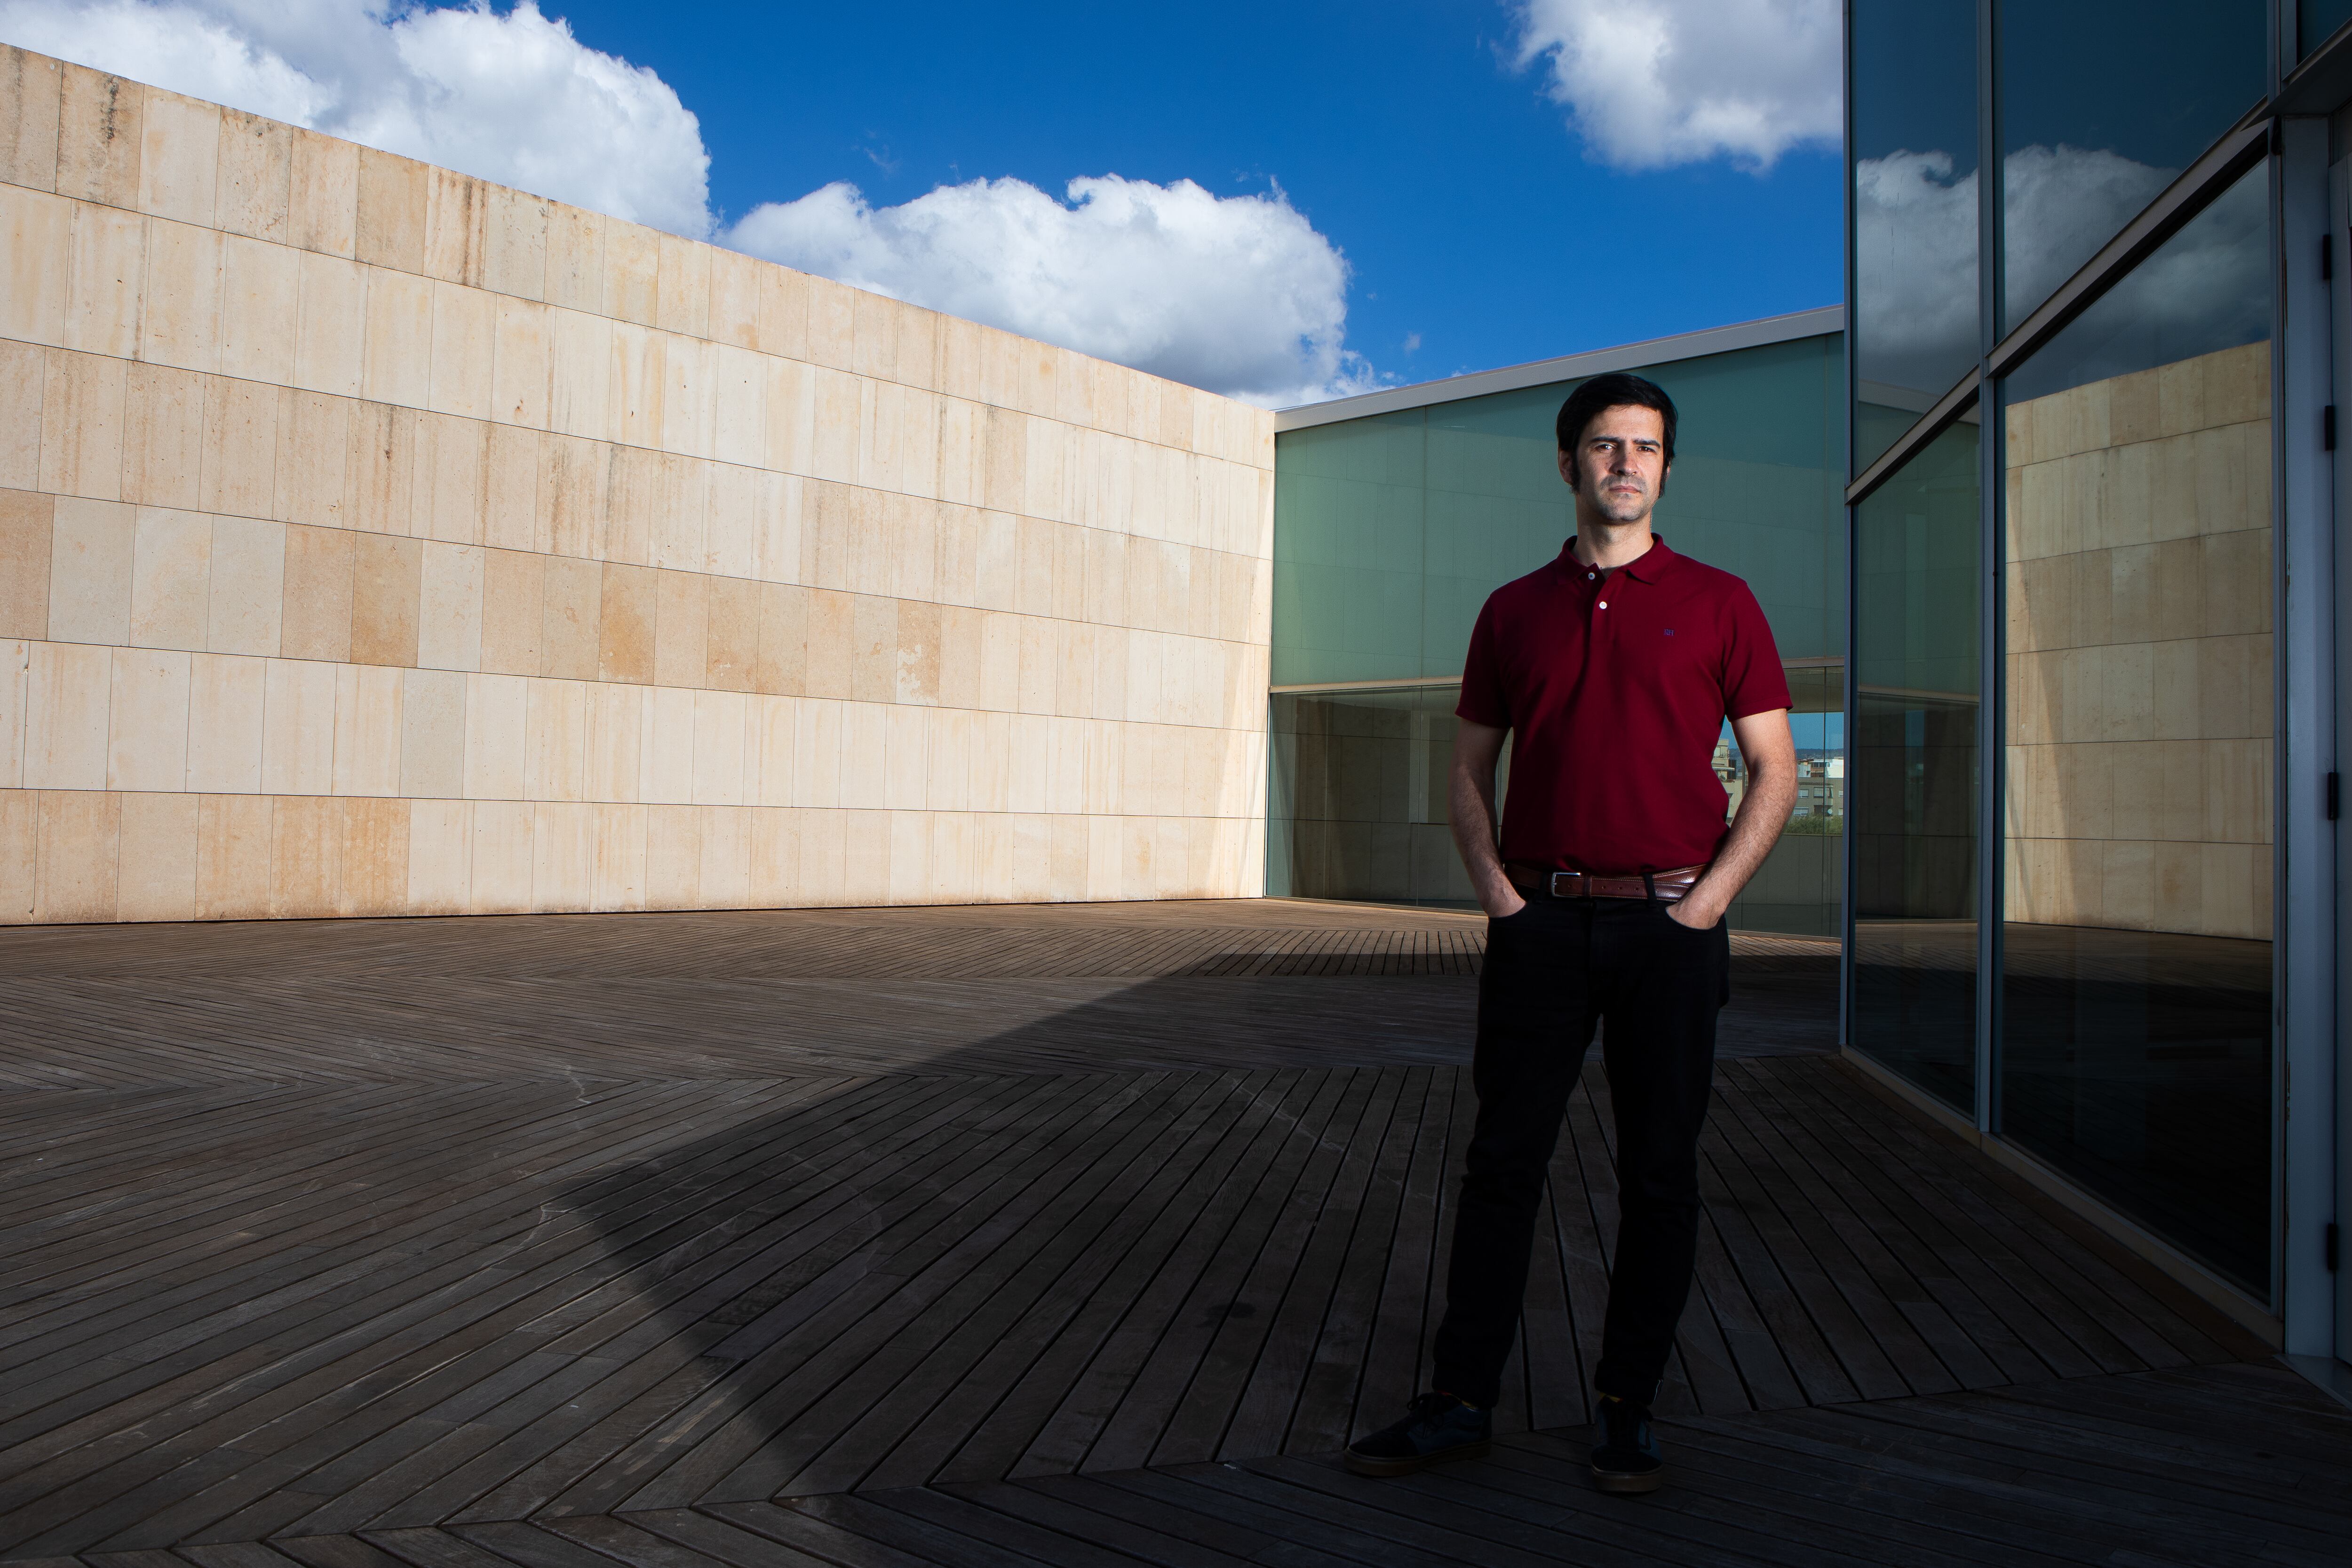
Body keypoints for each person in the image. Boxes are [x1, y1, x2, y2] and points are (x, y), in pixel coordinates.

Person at [1343, 373, 1795, 1494]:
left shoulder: (1723, 599)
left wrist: (1706, 905)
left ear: (1667, 468)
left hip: (1669, 926)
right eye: (1604, 445)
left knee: (1659, 1171)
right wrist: (1500, 893)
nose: (1625, 463)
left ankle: (1628, 1403)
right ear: (1567, 463)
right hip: (1541, 920)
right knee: (1503, 1164)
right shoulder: (1513, 608)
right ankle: (1459, 1398)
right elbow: (1467, 768)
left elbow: (1775, 769)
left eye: (1645, 446)